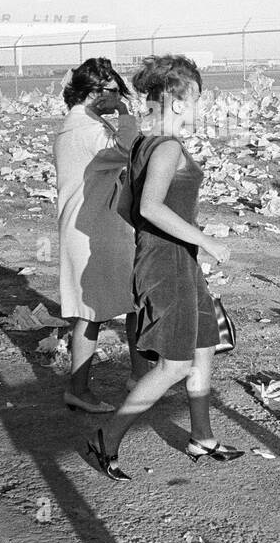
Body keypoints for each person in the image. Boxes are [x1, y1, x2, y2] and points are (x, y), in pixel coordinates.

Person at [86, 54, 243, 481]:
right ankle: (107, 437)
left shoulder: (144, 143)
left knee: (205, 343)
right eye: (195, 99)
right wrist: (204, 239)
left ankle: (202, 436)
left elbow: (127, 204)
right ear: (177, 99)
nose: (198, 108)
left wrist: (181, 238)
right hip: (166, 263)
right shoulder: (167, 146)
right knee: (174, 364)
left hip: (176, 259)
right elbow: (148, 206)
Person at [54, 58, 148, 413]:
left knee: (123, 302)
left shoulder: (81, 123)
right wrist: (125, 112)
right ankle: (80, 388)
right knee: (93, 311)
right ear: (94, 92)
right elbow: (130, 150)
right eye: (113, 91)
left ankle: (138, 375)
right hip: (92, 228)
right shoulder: (87, 129)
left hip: (95, 224)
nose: (117, 97)